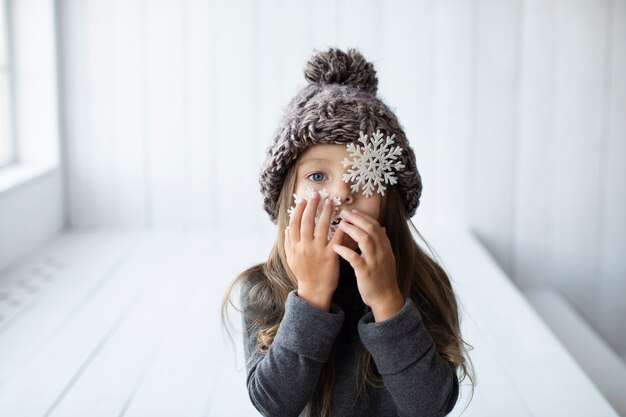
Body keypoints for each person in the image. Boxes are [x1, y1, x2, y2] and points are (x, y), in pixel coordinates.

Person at [222, 47, 474, 417]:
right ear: (287, 194)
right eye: (318, 176)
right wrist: (310, 297)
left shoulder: (423, 283)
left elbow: (431, 406)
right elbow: (274, 403)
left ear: (391, 196)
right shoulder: (264, 288)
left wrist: (388, 301)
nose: (342, 193)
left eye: (363, 174)